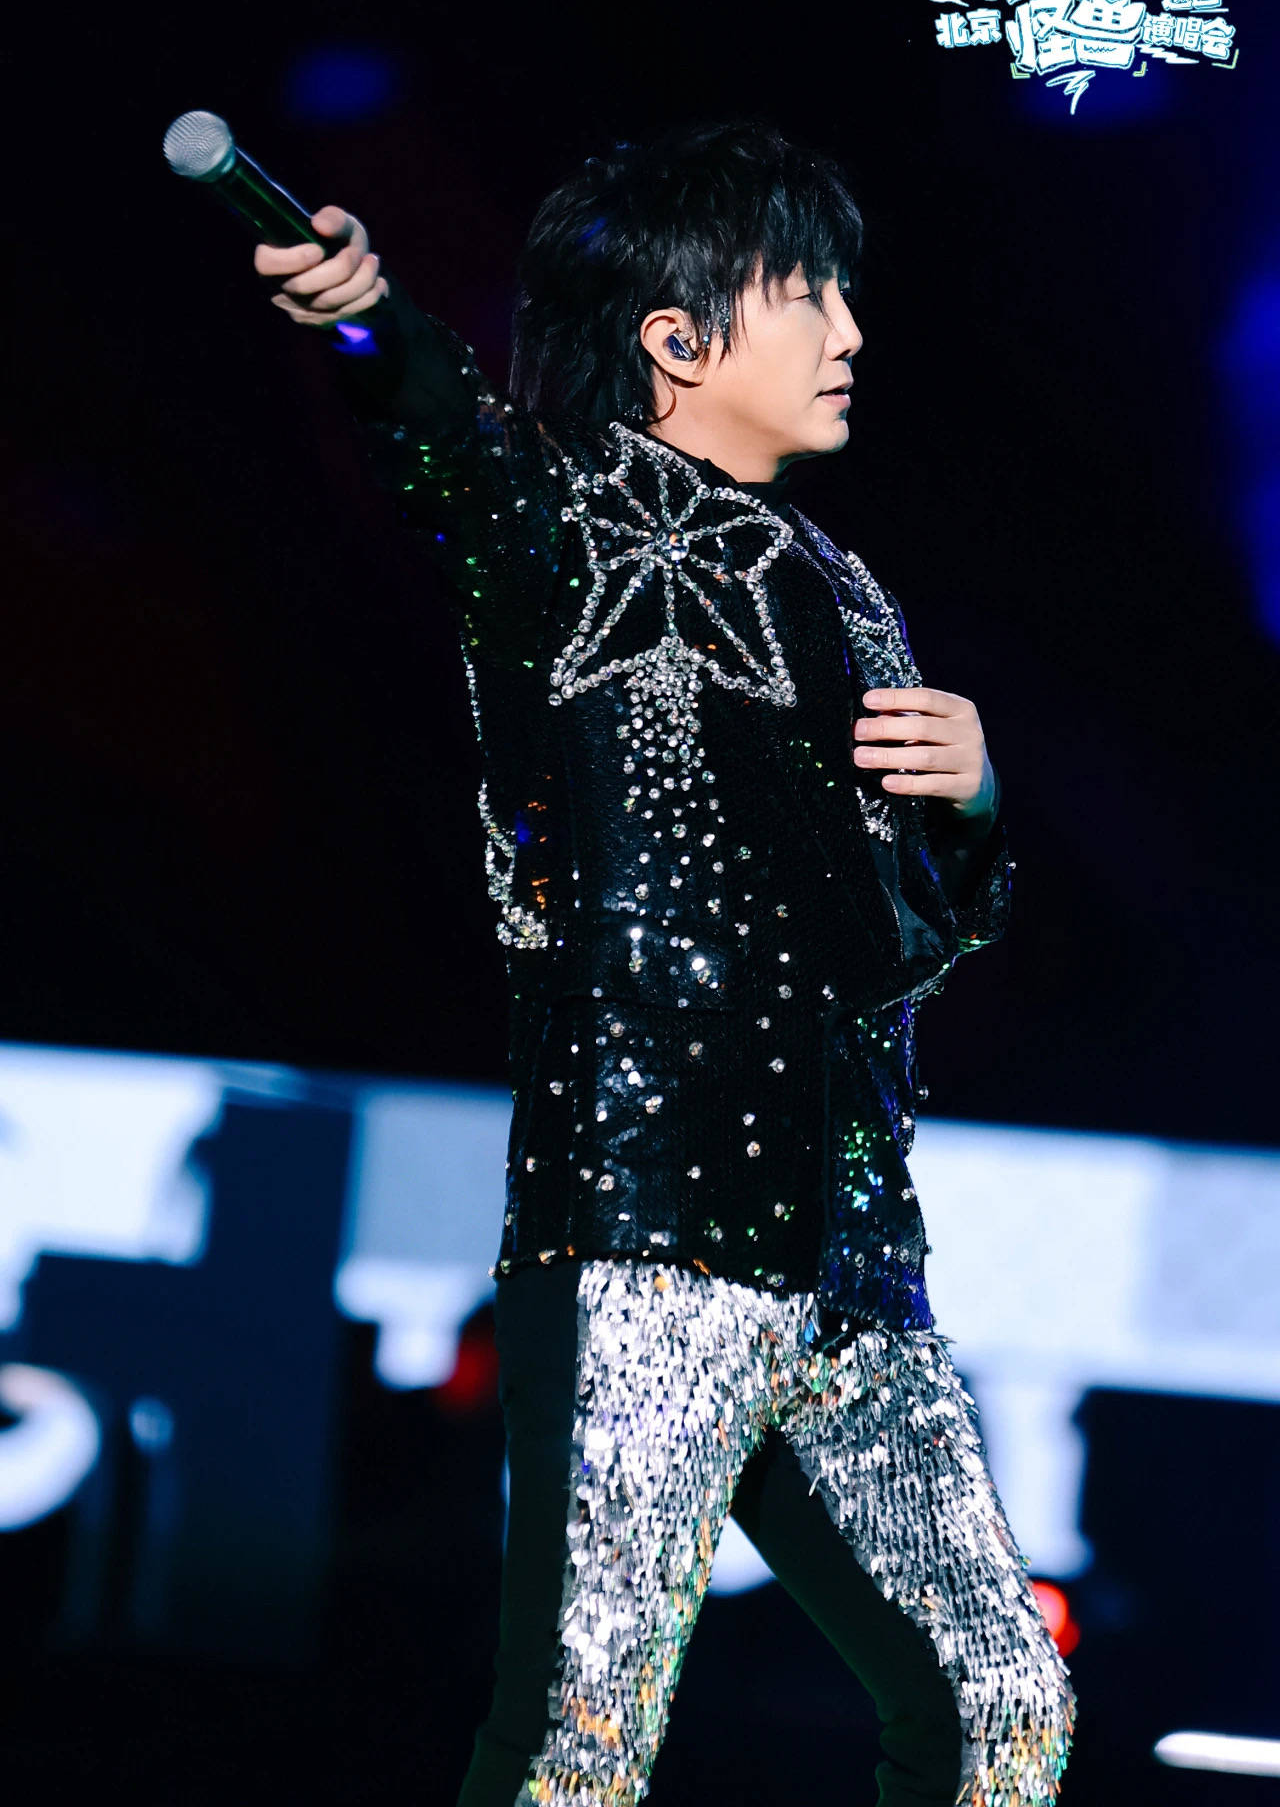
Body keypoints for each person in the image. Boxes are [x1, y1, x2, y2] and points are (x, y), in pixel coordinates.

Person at [254, 120, 1075, 1806]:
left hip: (856, 1262)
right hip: (649, 1237)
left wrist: (978, 799)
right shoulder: (560, 517)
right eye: (809, 293)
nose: (851, 331)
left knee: (1002, 1703)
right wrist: (362, 318)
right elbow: (435, 427)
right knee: (583, 1740)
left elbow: (918, 938)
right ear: (679, 340)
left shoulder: (846, 589)